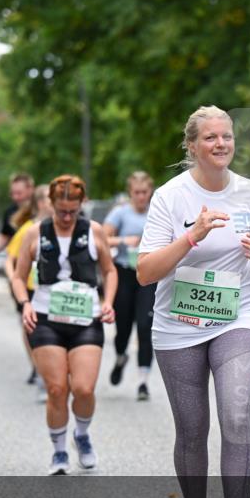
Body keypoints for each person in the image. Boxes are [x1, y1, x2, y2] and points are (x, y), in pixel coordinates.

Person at [137, 105, 250, 498]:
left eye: (227, 137)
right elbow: (145, 272)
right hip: (178, 325)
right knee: (193, 430)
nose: (220, 144)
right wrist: (191, 237)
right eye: (210, 138)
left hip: (235, 316)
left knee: (236, 415)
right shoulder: (170, 197)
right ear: (192, 145)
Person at [11, 175, 117, 475]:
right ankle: (58, 452)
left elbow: (109, 271)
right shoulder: (35, 233)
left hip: (86, 319)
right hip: (46, 319)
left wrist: (108, 301)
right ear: (51, 205)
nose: (68, 217)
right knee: (57, 389)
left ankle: (81, 435)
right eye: (61, 211)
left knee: (83, 389)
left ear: (81, 204)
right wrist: (25, 303)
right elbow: (19, 276)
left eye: (73, 210)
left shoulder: (94, 231)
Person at [103, 171, 157, 401]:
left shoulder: (157, 211)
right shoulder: (120, 213)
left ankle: (143, 382)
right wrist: (125, 241)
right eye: (137, 192)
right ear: (130, 193)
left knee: (146, 326)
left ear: (150, 192)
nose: (141, 197)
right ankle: (120, 356)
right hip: (125, 273)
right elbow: (102, 239)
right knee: (123, 326)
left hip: (149, 275)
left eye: (145, 192)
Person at [6, 184, 54, 401]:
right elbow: (10, 258)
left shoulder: (63, 226)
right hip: (29, 288)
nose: (50, 203)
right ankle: (38, 368)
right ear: (39, 203)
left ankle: (47, 370)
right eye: (46, 199)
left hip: (51, 288)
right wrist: (13, 277)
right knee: (32, 330)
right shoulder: (27, 229)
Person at [0, 173, 34, 252]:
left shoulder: (40, 210)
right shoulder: (10, 212)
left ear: (30, 189)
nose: (15, 197)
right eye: (12, 193)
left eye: (19, 193)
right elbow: (5, 235)